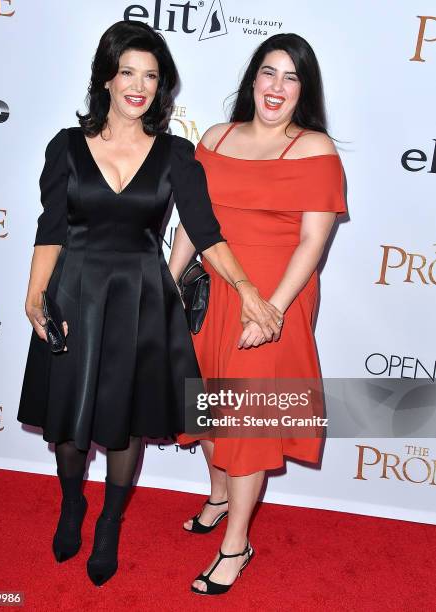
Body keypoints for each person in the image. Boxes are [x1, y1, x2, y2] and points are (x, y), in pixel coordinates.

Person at [17, 20, 282, 588]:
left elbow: (206, 232)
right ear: (106, 79)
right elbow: (51, 229)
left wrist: (249, 290)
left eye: (151, 76)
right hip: (74, 291)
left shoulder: (175, 155)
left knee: (123, 424)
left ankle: (109, 525)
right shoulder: (65, 146)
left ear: (162, 88)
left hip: (141, 297)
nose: (139, 85)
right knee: (67, 431)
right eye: (128, 72)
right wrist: (35, 294)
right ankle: (72, 505)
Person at [170, 33, 347, 595]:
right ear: (252, 79)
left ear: (304, 90)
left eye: (291, 77)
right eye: (268, 73)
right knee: (208, 408)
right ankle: (220, 497)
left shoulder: (315, 149)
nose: (277, 87)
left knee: (245, 420)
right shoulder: (217, 138)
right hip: (216, 290)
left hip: (277, 298)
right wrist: (166, 285)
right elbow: (192, 223)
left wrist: (269, 308)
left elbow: (311, 243)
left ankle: (236, 545)